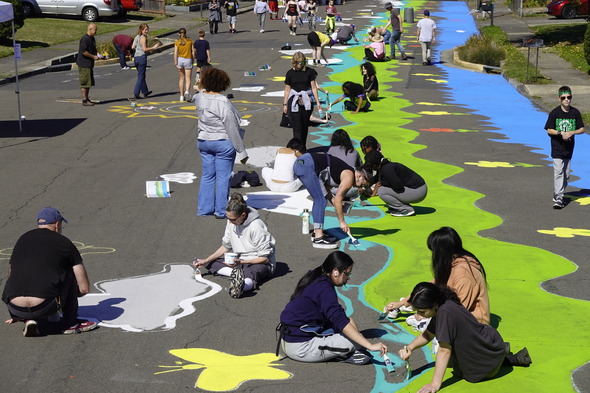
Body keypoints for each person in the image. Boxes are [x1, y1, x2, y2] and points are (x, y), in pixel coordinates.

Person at [399, 282, 531, 392]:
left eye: (422, 311)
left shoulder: (445, 313)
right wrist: (410, 347)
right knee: (453, 362)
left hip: (484, 366)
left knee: (462, 371)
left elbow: (444, 350)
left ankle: (497, 355)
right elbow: (428, 334)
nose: (418, 315)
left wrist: (434, 384)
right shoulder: (444, 302)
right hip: (489, 341)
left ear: (435, 306)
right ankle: (498, 351)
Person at [2, 207, 98, 336]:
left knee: (24, 272)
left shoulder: (22, 239)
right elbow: (84, 288)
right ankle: (70, 323)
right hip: (43, 305)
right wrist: (67, 297)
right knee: (68, 272)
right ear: (57, 224)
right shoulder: (64, 243)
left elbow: (11, 273)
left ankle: (27, 318)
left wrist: (18, 310)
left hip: (14, 306)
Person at [278, 251, 387, 364]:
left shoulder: (316, 276)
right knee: (354, 342)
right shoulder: (324, 289)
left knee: (351, 323)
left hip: (292, 336)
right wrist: (370, 345)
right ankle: (345, 355)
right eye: (347, 274)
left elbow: (341, 319)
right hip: (300, 346)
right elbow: (340, 321)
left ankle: (343, 351)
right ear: (335, 271)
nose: (348, 278)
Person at [385, 227, 490, 328]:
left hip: (473, 324)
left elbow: (458, 309)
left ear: (440, 252)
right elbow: (431, 287)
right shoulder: (453, 264)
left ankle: (424, 320)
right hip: (457, 311)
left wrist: (428, 315)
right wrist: (404, 302)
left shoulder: (464, 274)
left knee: (425, 321)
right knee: (423, 309)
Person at [194, 193, 276, 298]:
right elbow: (226, 246)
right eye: (228, 218)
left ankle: (243, 285)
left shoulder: (256, 227)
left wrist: (242, 262)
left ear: (243, 215)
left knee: (253, 272)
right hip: (240, 261)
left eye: (233, 219)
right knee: (211, 263)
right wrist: (206, 260)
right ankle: (238, 275)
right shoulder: (230, 222)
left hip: (259, 262)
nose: (231, 222)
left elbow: (265, 258)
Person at [194, 67, 248, 218]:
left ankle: (204, 208)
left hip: (204, 140)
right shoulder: (223, 101)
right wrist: (241, 150)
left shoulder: (199, 97)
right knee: (223, 177)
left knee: (207, 175)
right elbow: (231, 127)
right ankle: (220, 210)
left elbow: (196, 93)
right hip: (222, 141)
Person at [293, 151, 372, 248]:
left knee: (320, 199)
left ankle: (317, 232)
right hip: (307, 166)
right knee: (320, 201)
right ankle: (318, 238)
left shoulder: (344, 171)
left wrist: (334, 202)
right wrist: (342, 222)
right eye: (363, 184)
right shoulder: (349, 176)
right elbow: (339, 198)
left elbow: (325, 189)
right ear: (361, 176)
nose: (362, 187)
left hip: (304, 163)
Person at [544, 86, 585, 209]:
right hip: (557, 147)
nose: (566, 100)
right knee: (558, 172)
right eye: (564, 98)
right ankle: (559, 198)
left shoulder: (575, 112)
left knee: (566, 175)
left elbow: (582, 129)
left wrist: (572, 132)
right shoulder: (555, 113)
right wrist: (560, 133)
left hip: (569, 148)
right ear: (559, 98)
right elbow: (549, 130)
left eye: (569, 97)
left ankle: (558, 191)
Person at [363, 150, 427, 216]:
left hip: (418, 192)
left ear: (374, 164)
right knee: (384, 187)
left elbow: (398, 187)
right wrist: (363, 187)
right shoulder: (385, 166)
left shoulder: (387, 169)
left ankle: (405, 209)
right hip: (419, 189)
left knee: (382, 191)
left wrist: (382, 183)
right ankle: (402, 206)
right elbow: (375, 179)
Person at [283, 51, 322, 148]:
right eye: (297, 62)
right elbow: (287, 89)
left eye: (301, 62)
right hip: (294, 101)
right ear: (293, 62)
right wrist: (285, 104)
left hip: (306, 101)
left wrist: (317, 102)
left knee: (304, 126)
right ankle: (297, 148)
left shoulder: (310, 72)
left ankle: (303, 147)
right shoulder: (290, 73)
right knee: (297, 127)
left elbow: (313, 87)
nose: (299, 65)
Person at [132, 24, 160, 100]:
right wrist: (153, 47)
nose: (147, 31)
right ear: (141, 30)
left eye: (147, 29)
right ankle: (136, 93)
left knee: (142, 75)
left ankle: (145, 91)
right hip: (141, 57)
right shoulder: (143, 38)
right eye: (145, 30)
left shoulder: (137, 37)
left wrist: (137, 49)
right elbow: (144, 49)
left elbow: (132, 46)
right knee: (141, 76)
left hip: (136, 58)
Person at [76, 23, 99, 106]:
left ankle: (87, 98)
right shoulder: (85, 39)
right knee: (84, 82)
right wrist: (93, 57)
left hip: (89, 64)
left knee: (89, 82)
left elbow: (94, 49)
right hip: (84, 63)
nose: (96, 31)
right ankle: (84, 100)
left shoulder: (92, 38)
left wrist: (98, 54)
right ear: (90, 29)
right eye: (95, 29)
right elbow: (83, 51)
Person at [174, 28, 194, 102]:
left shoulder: (177, 42)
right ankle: (187, 91)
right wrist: (193, 59)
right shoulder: (190, 41)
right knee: (188, 78)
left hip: (180, 60)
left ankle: (181, 95)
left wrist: (175, 63)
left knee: (181, 78)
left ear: (179, 34)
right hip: (188, 59)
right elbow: (193, 51)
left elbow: (175, 53)